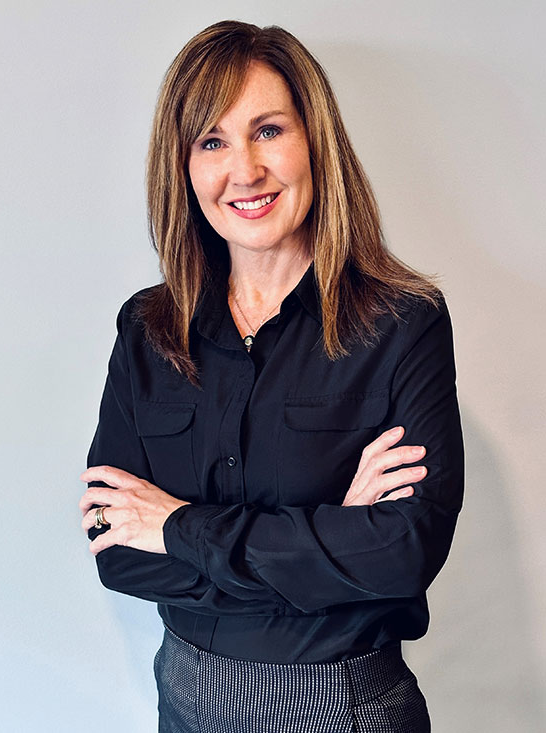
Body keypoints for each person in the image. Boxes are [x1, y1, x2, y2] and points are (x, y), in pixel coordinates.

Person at [79, 20, 464, 733]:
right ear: (184, 166)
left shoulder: (403, 324)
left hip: (340, 706)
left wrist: (179, 527)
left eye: (268, 131)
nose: (245, 171)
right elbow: (116, 546)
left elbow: (402, 553)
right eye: (213, 142)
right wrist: (327, 539)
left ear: (315, 141)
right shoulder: (147, 329)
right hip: (184, 702)